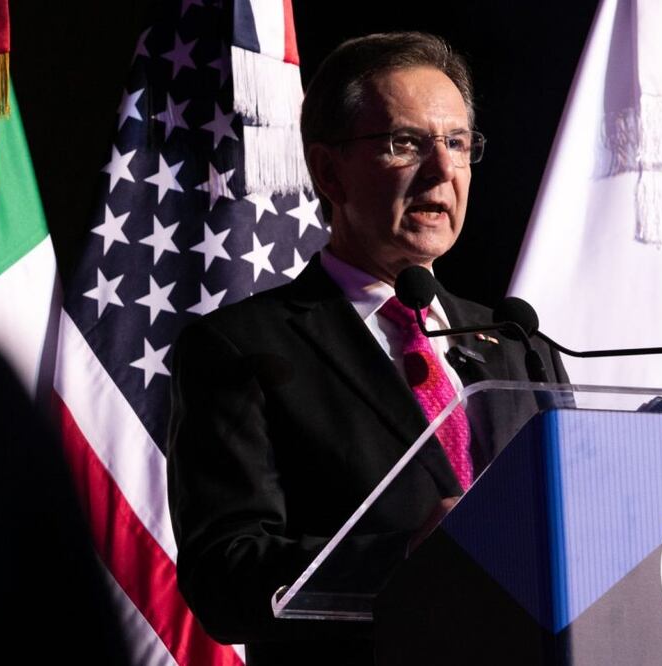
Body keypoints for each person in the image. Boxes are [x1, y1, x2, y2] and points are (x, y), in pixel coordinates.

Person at [166, 32, 567, 664]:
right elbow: (225, 577)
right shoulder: (240, 346)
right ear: (328, 170)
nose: (442, 170)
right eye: (405, 143)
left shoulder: (518, 347)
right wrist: (405, 557)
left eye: (458, 143)